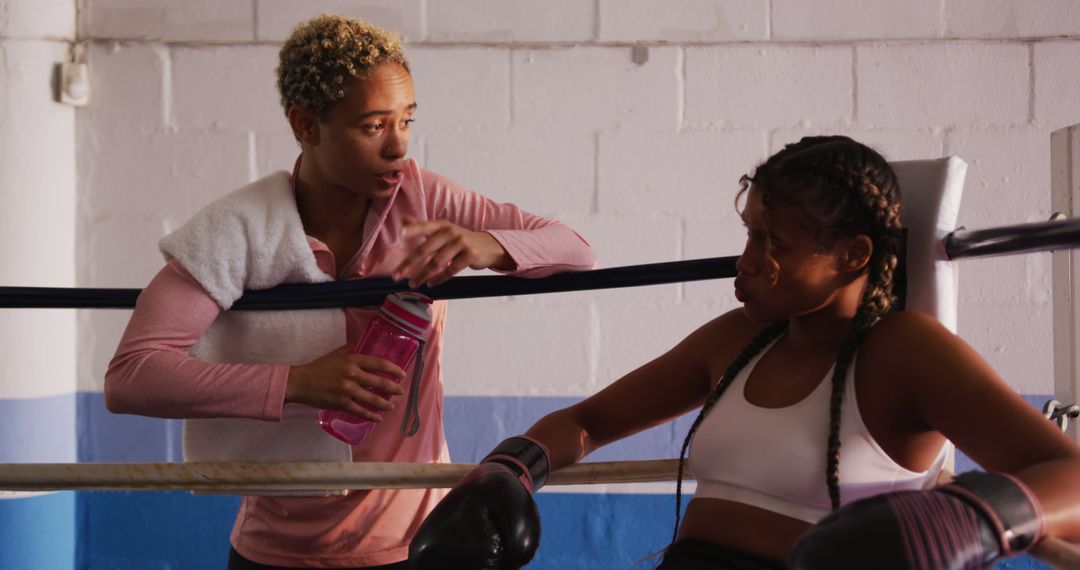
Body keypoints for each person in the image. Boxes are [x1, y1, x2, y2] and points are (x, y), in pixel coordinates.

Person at [409, 136, 1080, 569]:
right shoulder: (740, 339)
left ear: (853, 256)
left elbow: (1070, 475)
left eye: (776, 246)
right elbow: (588, 422)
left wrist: (977, 516)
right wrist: (508, 470)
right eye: (750, 235)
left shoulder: (903, 352)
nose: (748, 263)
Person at [103, 14, 595, 570]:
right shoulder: (237, 229)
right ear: (307, 125)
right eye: (373, 126)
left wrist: (485, 247)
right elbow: (131, 377)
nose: (398, 147)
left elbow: (576, 249)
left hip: (417, 544)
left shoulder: (423, 199)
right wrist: (298, 382)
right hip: (275, 551)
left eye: (407, 121)